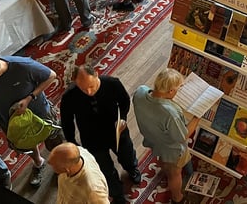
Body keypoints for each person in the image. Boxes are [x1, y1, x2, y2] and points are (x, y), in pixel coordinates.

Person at [0, 55, 62, 188]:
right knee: (26, 143)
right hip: (12, 119)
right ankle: (38, 162)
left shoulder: (23, 65)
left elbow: (51, 75)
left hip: (39, 111)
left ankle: (62, 165)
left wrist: (29, 98)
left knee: (53, 140)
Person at [60, 65, 140, 204]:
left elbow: (124, 101)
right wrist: (72, 142)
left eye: (92, 86)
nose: (89, 91)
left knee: (127, 153)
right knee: (105, 169)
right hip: (91, 138)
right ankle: (117, 193)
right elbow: (67, 121)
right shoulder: (69, 97)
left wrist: (122, 119)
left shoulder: (112, 83)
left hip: (116, 130)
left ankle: (132, 169)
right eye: (83, 89)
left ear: (97, 75)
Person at [132, 69, 199, 204]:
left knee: (165, 161)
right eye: (178, 88)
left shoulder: (140, 91)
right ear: (170, 92)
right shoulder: (170, 114)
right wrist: (197, 118)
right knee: (175, 174)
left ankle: (166, 167)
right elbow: (182, 137)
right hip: (172, 149)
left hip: (153, 139)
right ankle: (177, 198)